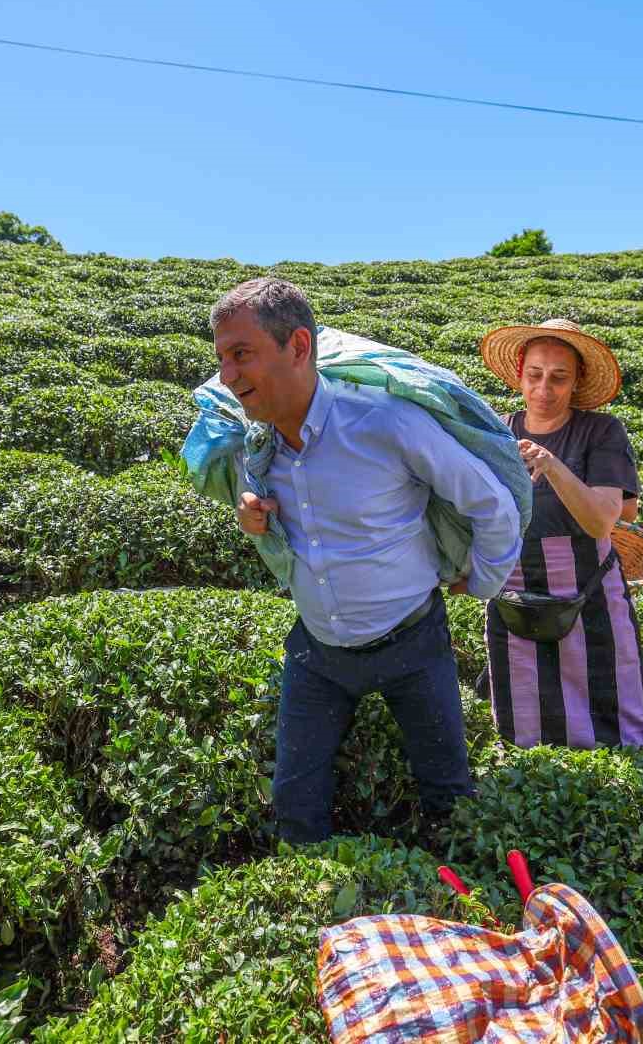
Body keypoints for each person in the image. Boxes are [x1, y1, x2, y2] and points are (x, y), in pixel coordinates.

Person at [214, 277, 522, 844]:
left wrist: (482, 582)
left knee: (449, 797)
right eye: (222, 360)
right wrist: (252, 520)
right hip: (318, 653)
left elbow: (492, 503)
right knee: (296, 805)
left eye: (241, 355)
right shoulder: (255, 446)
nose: (228, 376)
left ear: (299, 347)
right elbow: (278, 530)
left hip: (413, 643)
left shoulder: (385, 422)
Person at [475, 318, 643, 748]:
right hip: (515, 589)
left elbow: (601, 522)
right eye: (534, 375)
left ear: (576, 383)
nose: (543, 389)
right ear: (519, 374)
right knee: (523, 715)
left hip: (589, 586)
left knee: (610, 702)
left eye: (559, 378)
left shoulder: (602, 431)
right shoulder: (496, 431)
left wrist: (552, 466)